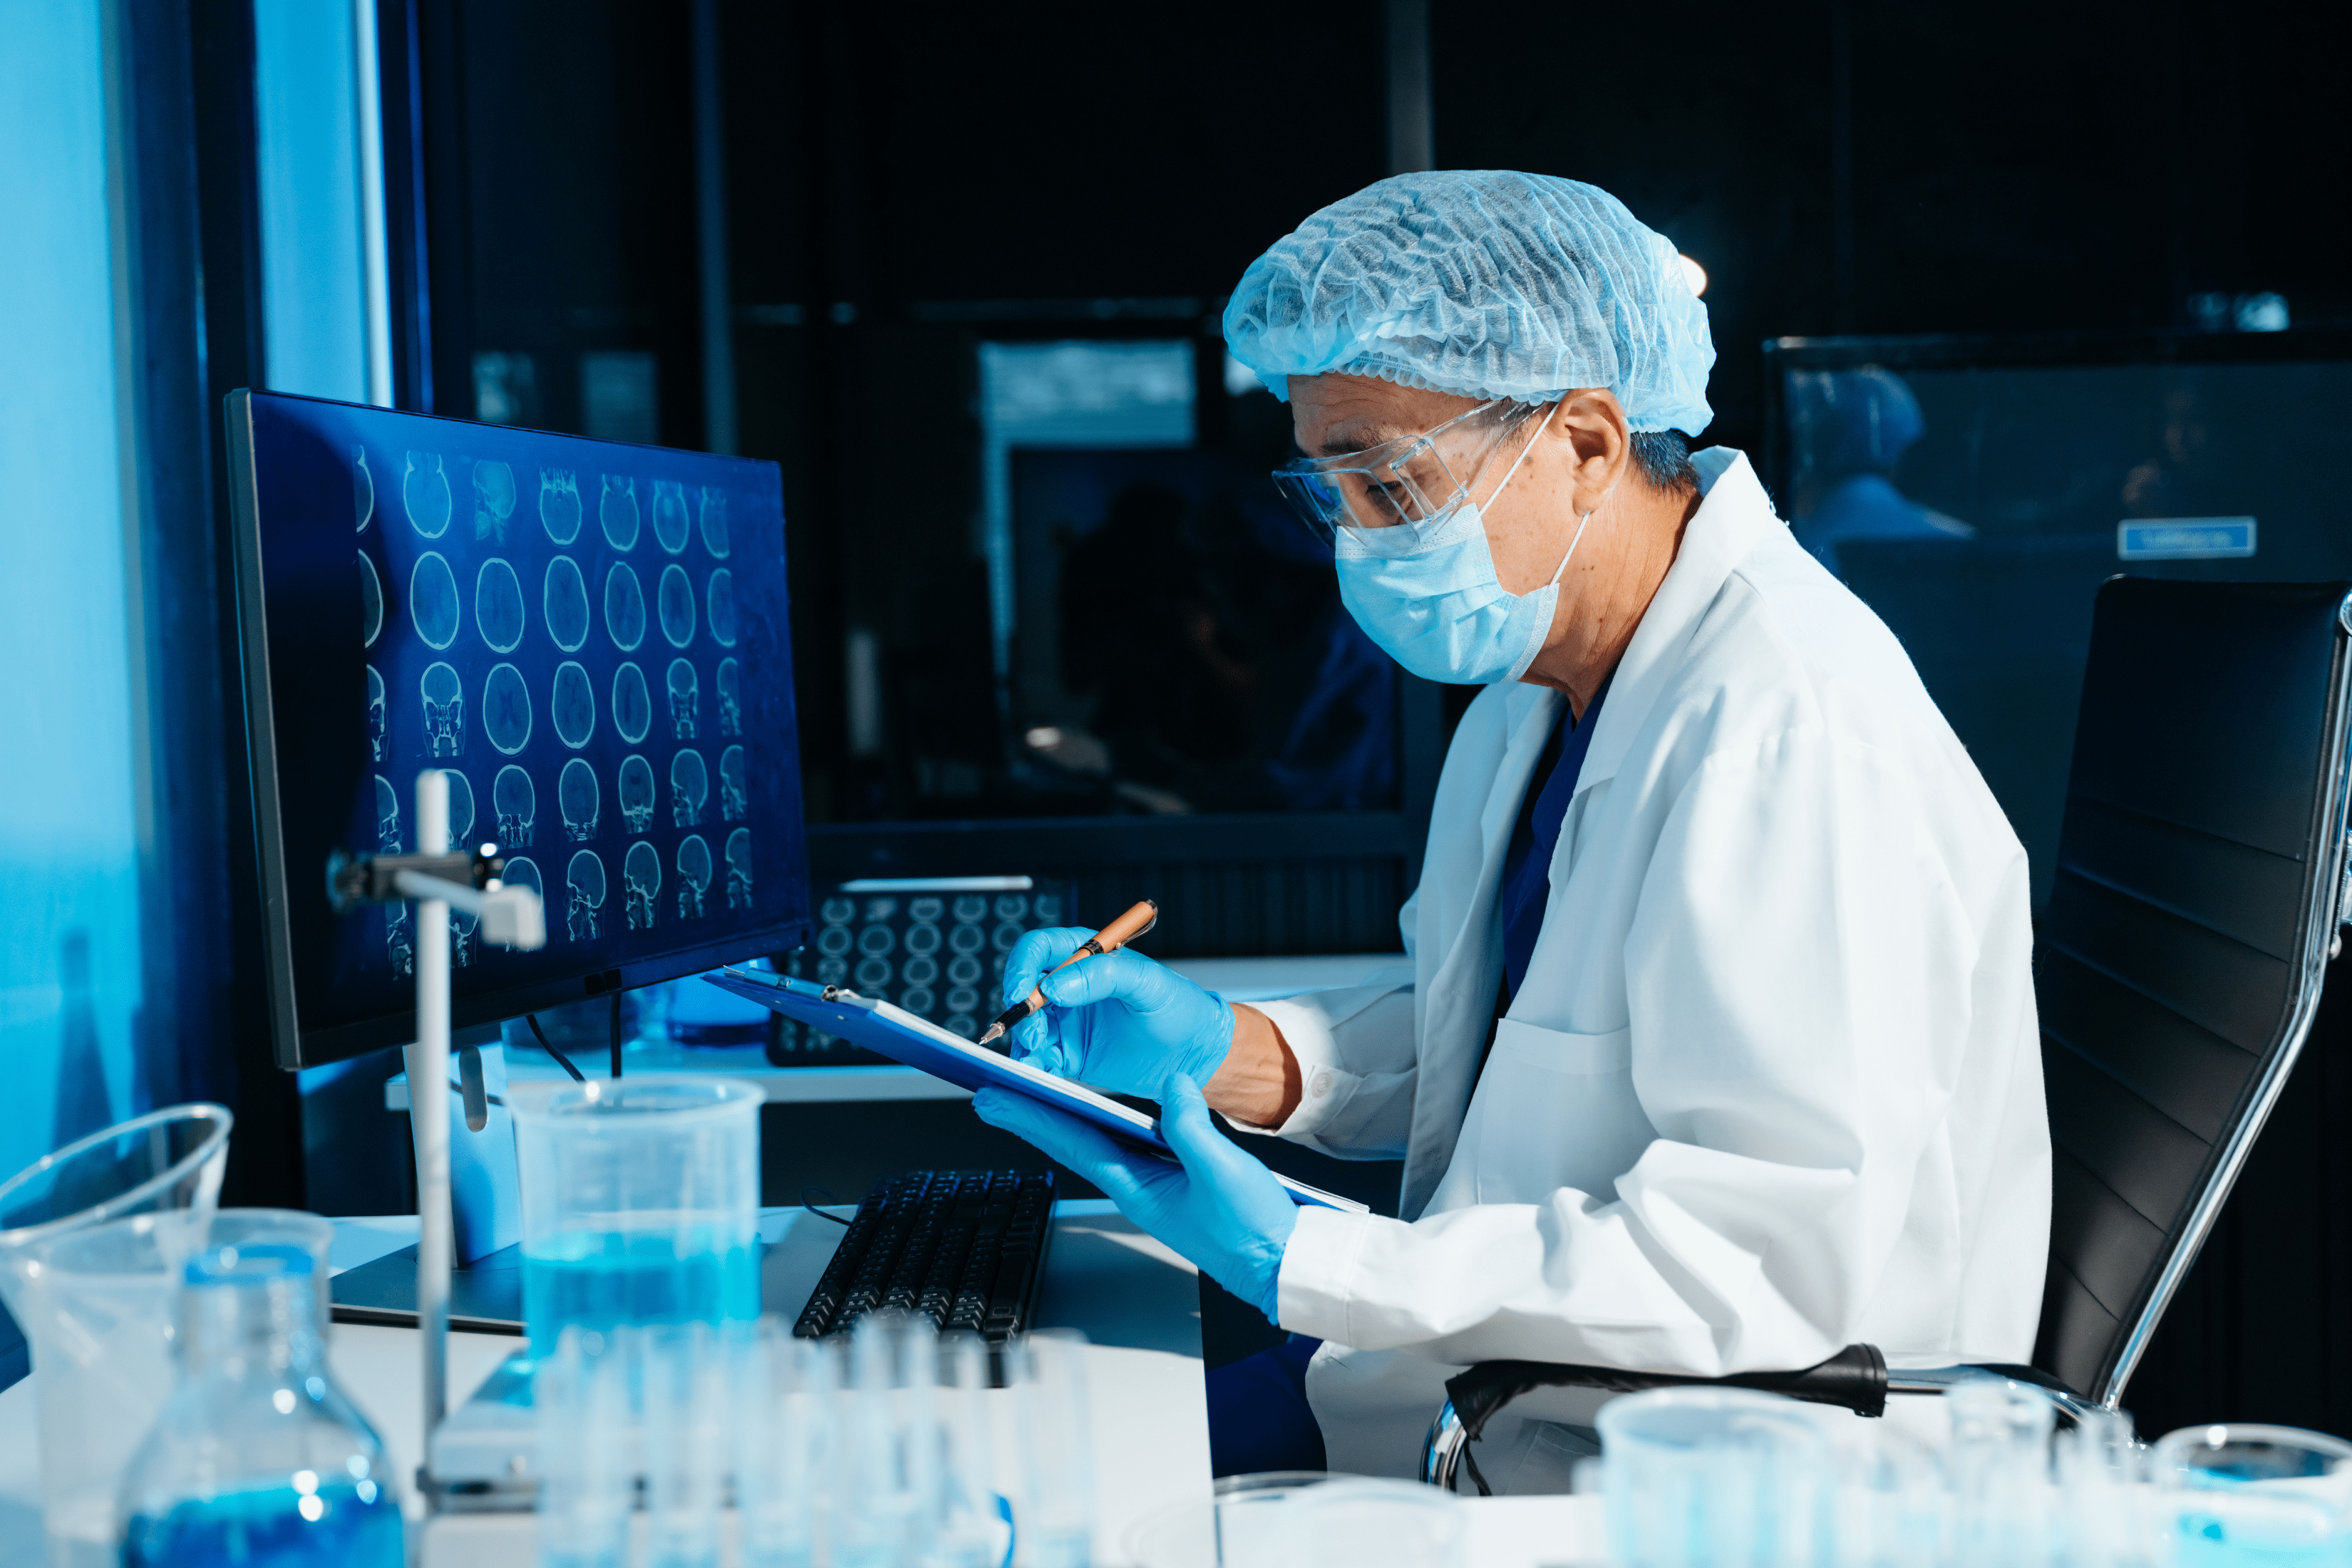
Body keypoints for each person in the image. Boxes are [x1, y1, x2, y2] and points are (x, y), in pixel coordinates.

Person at [971, 170, 2051, 1482]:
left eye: (1391, 484)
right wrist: (1238, 1052)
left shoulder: (1790, 728)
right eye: (1329, 491)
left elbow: (1763, 1258)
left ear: (1588, 443)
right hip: (1494, 1391)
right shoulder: (1539, 684)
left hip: (1721, 1470)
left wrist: (1313, 1257)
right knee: (1026, 1454)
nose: (1356, 545)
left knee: (1056, 1497)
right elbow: (1515, 1039)